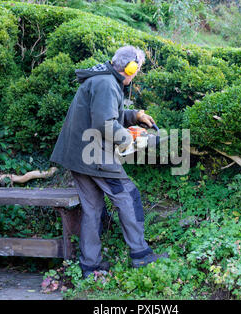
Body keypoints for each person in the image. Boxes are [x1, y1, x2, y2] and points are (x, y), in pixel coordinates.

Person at [50, 46, 168, 278]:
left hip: (79, 156)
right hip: (93, 155)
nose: (136, 74)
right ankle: (140, 255)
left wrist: (134, 116)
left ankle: (89, 265)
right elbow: (105, 124)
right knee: (127, 195)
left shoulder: (104, 79)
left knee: (92, 208)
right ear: (130, 68)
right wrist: (133, 137)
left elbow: (106, 114)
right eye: (137, 70)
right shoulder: (105, 84)